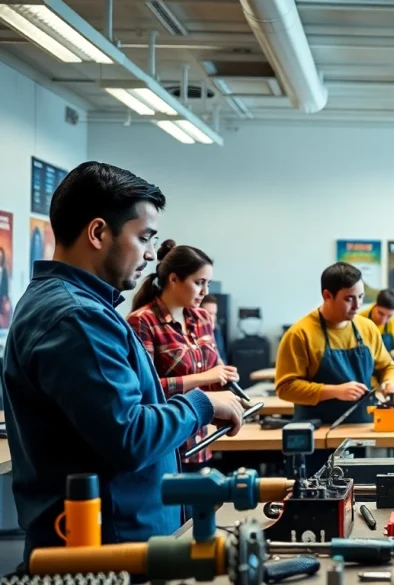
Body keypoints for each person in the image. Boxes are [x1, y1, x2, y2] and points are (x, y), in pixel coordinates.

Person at [2, 162, 246, 562]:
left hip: (120, 536)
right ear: (98, 232)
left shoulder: (79, 307)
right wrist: (201, 404)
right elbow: (129, 435)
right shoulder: (77, 317)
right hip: (109, 550)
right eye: (144, 237)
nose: (151, 254)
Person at [127, 240, 239, 471]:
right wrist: (206, 377)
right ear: (174, 279)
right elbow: (145, 390)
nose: (205, 292)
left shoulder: (202, 318)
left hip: (201, 442)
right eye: (199, 283)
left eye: (208, 284)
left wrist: (224, 380)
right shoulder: (142, 321)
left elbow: (213, 372)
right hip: (167, 446)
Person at [276, 262, 394, 430]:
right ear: (327, 295)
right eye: (349, 299)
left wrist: (391, 383)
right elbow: (285, 388)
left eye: (361, 297)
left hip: (362, 428)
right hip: (316, 430)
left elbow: (388, 367)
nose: (357, 306)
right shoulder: (300, 334)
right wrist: (334, 391)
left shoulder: (367, 328)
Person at [359, 289, 394, 359]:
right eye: (381, 313)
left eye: (389, 316)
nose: (383, 320)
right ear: (375, 305)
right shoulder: (359, 318)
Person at [200, 294, 229, 363]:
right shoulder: (192, 335)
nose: (212, 317)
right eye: (208, 313)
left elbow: (222, 357)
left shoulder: (216, 333)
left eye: (214, 314)